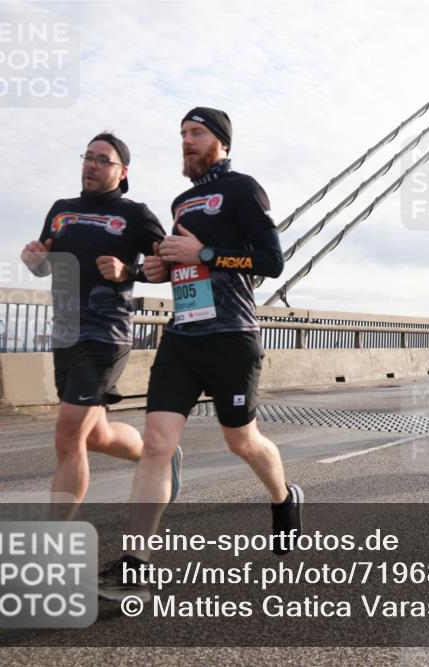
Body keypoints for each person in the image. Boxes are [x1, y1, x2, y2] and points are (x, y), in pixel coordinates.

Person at [98, 108, 302, 601]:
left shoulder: (243, 189)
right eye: (183, 134)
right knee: (156, 444)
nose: (187, 141)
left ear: (222, 143)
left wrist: (205, 256)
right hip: (183, 336)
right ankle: (136, 561)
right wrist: (148, 269)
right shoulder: (182, 201)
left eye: (197, 133)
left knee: (242, 442)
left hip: (232, 336)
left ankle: (284, 496)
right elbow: (178, 268)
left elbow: (271, 262)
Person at [20, 132, 176, 520]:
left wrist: (131, 271)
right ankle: (157, 454)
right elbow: (45, 263)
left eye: (102, 160)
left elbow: (170, 264)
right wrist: (34, 259)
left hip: (106, 334)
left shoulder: (135, 214)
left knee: (67, 432)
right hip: (66, 331)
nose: (91, 164)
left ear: (122, 171)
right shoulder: (61, 209)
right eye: (88, 157)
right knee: (94, 435)